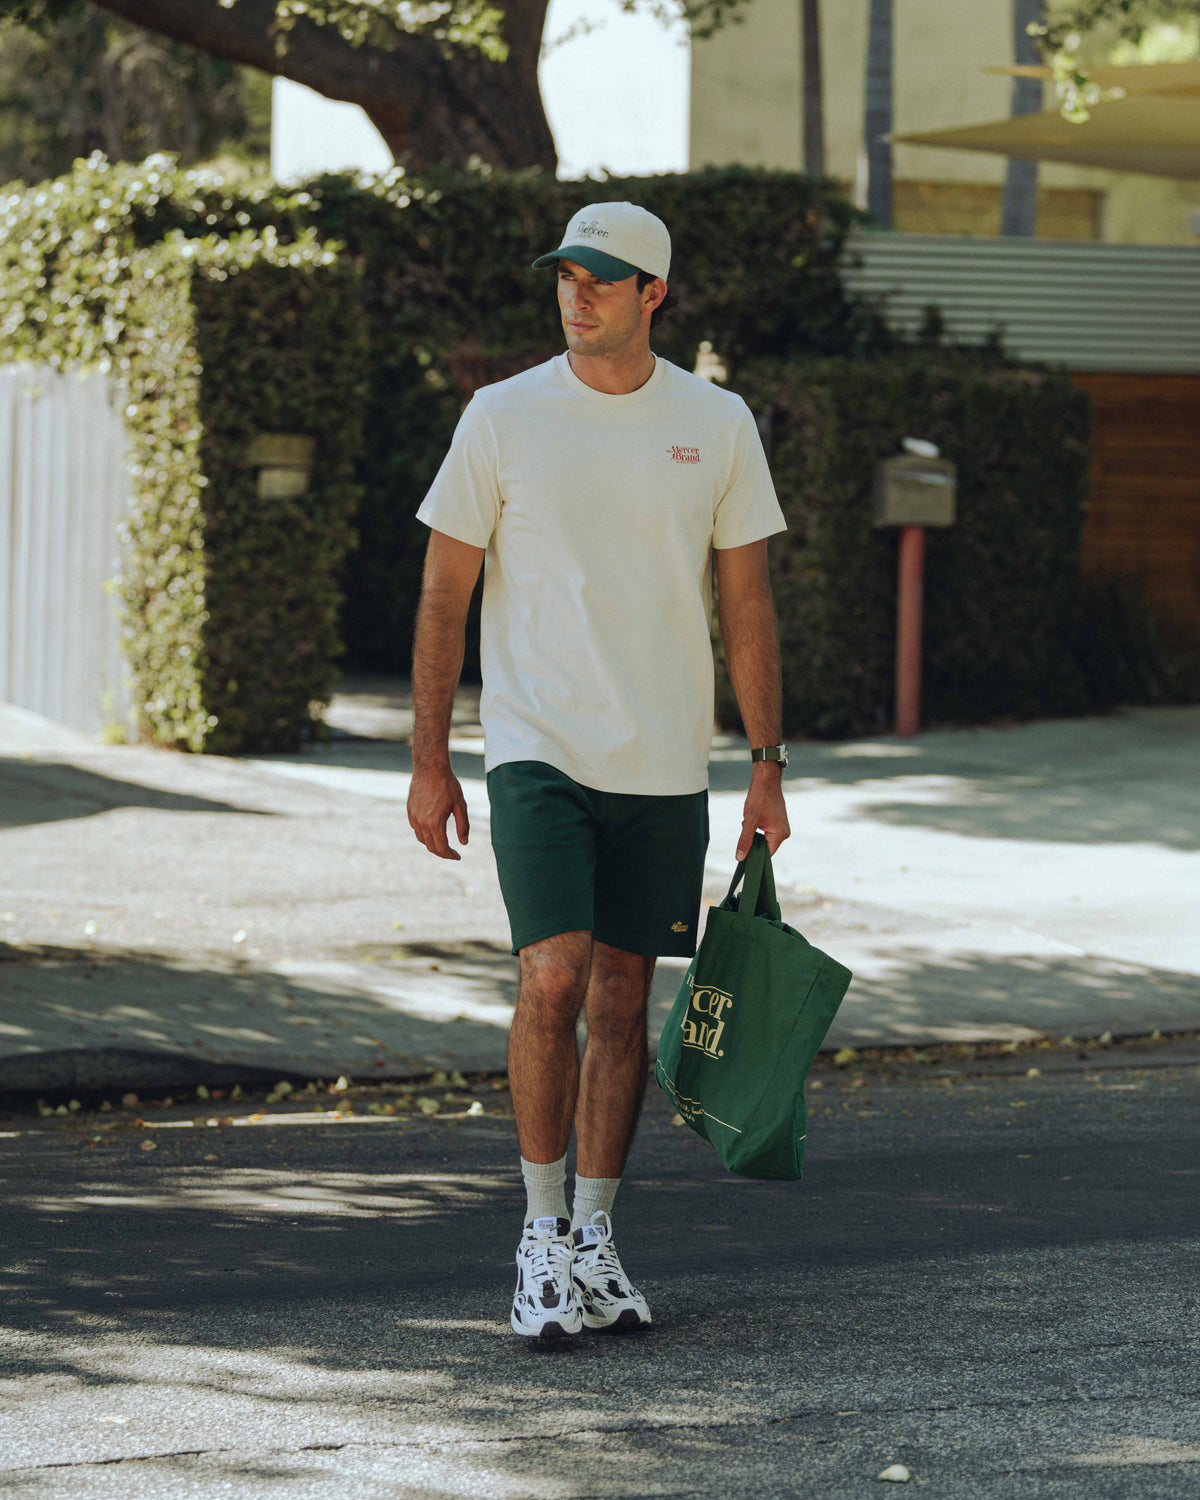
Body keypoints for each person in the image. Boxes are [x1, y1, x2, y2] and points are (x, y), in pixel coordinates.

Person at [407, 201, 790, 1340]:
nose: (577, 294)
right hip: (537, 750)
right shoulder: (502, 416)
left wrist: (766, 766)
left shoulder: (716, 424)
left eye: (604, 279)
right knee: (555, 980)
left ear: (653, 295)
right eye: (566, 274)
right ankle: (535, 1237)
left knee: (626, 997)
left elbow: (748, 604)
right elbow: (443, 591)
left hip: (666, 761)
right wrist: (432, 759)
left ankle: (595, 1237)